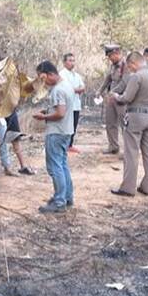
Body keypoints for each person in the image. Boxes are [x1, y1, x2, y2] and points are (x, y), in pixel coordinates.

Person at [109, 52, 148, 197]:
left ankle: (128, 188)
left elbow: (126, 98)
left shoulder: (136, 77)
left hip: (136, 117)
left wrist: (116, 96)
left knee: (131, 152)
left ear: (133, 63)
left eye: (130, 66)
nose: (130, 69)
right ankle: (147, 186)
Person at [33, 60, 75, 213]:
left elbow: (60, 113)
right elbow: (59, 109)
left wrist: (43, 117)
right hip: (66, 131)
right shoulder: (67, 85)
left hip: (57, 132)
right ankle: (67, 197)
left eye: (43, 78)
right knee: (62, 165)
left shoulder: (57, 90)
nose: (42, 81)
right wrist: (47, 111)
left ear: (51, 74)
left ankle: (59, 201)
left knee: (55, 167)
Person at [97, 44, 128, 154]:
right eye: (109, 56)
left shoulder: (126, 65)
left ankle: (128, 151)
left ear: (117, 53)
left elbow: (124, 83)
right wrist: (100, 91)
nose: (110, 59)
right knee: (110, 122)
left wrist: (112, 92)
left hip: (122, 98)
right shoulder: (113, 66)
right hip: (111, 98)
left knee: (125, 124)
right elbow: (108, 79)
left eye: (111, 56)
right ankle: (113, 146)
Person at [59, 53, 85, 153]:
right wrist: (76, 89)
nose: (72, 63)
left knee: (74, 125)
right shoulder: (62, 74)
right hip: (66, 105)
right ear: (64, 62)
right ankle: (63, 145)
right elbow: (66, 88)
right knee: (66, 126)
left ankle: (70, 145)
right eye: (70, 60)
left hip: (76, 104)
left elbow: (82, 87)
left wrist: (76, 89)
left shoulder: (77, 75)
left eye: (73, 60)